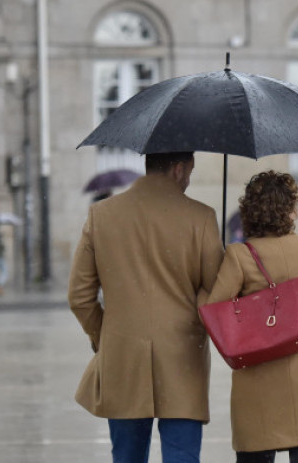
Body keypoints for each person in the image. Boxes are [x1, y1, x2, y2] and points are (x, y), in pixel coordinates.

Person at [67, 151, 224, 463]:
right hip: (183, 359)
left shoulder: (103, 214)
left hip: (123, 358)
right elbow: (217, 292)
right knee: (182, 457)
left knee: (127, 457)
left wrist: (106, 335)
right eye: (190, 171)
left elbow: (79, 296)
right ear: (178, 169)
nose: (189, 180)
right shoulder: (201, 217)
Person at [206, 170, 298, 463]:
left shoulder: (238, 255)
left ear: (250, 210)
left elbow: (216, 315)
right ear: (291, 211)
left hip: (257, 388)